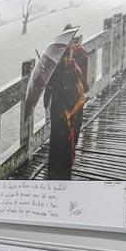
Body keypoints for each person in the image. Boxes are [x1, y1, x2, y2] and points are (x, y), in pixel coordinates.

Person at [45, 27, 89, 180]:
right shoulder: (56, 68)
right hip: (59, 114)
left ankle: (62, 177)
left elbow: (82, 98)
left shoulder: (74, 68)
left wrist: (70, 113)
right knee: (58, 147)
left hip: (70, 114)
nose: (65, 57)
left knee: (65, 148)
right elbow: (49, 91)